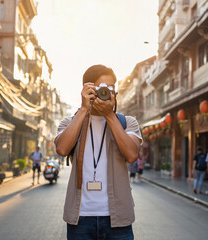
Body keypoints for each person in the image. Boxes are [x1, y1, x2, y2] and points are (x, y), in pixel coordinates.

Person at [54, 64, 142, 240]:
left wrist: (109, 115)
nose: (107, 92)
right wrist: (84, 109)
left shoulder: (127, 123)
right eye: (101, 88)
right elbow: (62, 149)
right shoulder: (69, 123)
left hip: (118, 221)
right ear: (87, 89)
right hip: (80, 219)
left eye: (111, 88)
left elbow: (132, 155)